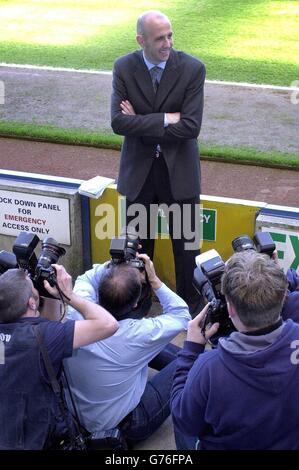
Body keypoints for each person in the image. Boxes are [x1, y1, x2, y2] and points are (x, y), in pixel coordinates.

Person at [110, 10, 206, 314]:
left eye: (170, 35)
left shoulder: (192, 68)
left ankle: (191, 314)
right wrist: (165, 119)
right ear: (141, 40)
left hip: (179, 174)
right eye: (159, 38)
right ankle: (136, 310)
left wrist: (140, 120)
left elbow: (190, 127)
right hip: (140, 173)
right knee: (136, 249)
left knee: (187, 250)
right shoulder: (124, 67)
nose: (168, 43)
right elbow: (117, 122)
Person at [171, 250, 299, 450]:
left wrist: (191, 350)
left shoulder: (209, 369)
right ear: (284, 296)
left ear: (230, 309)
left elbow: (184, 420)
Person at [64, 254, 191, 446]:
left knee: (151, 343)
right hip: (127, 425)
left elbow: (86, 278)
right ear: (135, 304)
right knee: (193, 361)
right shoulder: (139, 334)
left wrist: (114, 267)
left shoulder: (76, 313)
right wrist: (154, 280)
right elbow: (182, 314)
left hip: (79, 418)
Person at [0, 265, 118, 450]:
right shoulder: (44, 338)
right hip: (38, 440)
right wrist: (68, 294)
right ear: (32, 303)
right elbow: (108, 324)